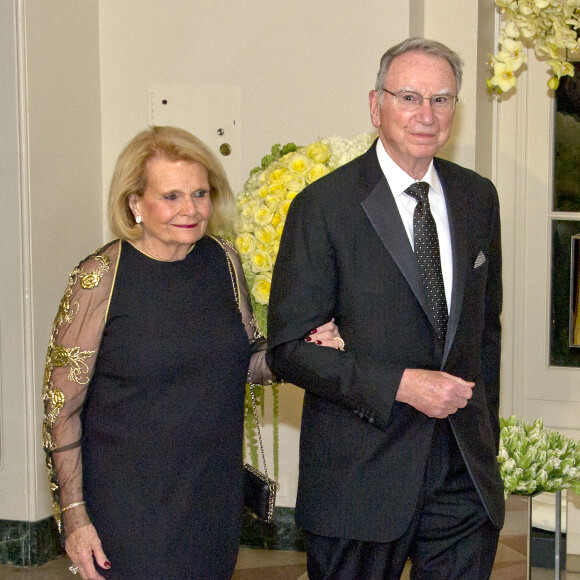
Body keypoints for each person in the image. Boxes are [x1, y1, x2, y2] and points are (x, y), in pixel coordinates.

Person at [42, 126, 342, 580]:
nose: (191, 209)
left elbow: (246, 359)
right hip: (128, 505)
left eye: (200, 194)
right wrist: (75, 517)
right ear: (134, 203)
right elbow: (60, 409)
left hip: (210, 496)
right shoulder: (100, 277)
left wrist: (299, 352)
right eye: (172, 196)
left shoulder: (221, 260)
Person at [266, 38, 504, 579]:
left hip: (461, 477)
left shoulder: (477, 198)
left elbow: (485, 334)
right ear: (376, 106)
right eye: (409, 97)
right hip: (360, 476)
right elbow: (287, 353)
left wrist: (485, 450)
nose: (427, 115)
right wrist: (401, 383)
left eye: (442, 100)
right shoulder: (322, 207)